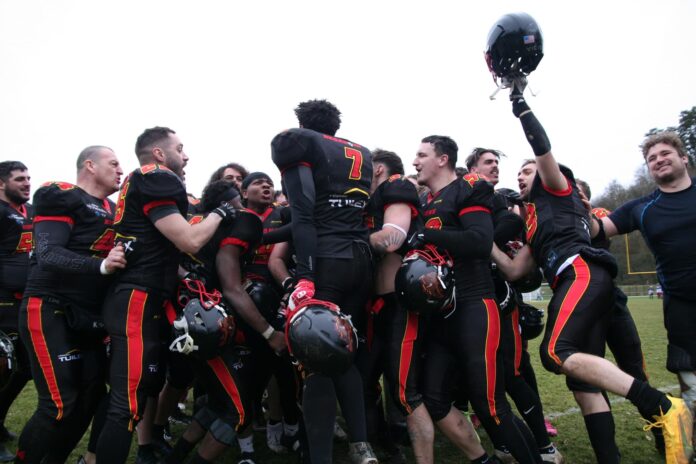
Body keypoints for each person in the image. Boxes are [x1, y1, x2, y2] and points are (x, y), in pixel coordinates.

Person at [491, 81, 692, 464]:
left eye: (527, 171)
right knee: (582, 380)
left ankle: (664, 411)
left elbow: (543, 151)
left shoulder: (556, 186)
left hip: (586, 276)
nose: (521, 176)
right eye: (518, 174)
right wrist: (481, 238)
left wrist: (520, 107)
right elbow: (516, 270)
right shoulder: (535, 223)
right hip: (577, 284)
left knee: (557, 351)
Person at [96, 127, 237, 464]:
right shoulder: (157, 176)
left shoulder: (143, 182)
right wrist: (220, 212)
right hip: (136, 296)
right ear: (159, 153)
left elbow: (156, 246)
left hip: (144, 294)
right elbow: (188, 241)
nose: (185, 155)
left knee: (143, 388)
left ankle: (144, 445)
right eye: (180, 147)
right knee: (126, 403)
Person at [411, 135, 542, 464]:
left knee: (491, 406)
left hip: (474, 305)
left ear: (442, 159)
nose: (415, 161)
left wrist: (427, 235)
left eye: (421, 155)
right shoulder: (429, 200)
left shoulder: (469, 185)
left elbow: (479, 240)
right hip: (443, 314)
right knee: (436, 398)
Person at [271, 99, 377, 464]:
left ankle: (320, 458)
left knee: (315, 356)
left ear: (302, 124)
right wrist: (263, 236)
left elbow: (304, 213)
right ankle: (361, 445)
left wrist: (306, 274)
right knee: (343, 354)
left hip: (327, 262)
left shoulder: (298, 142)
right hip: (360, 261)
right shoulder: (359, 151)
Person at [15, 147, 126, 463]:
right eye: (114, 163)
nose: (120, 170)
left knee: (91, 396)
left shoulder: (114, 209)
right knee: (58, 403)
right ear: (90, 165)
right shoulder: (61, 195)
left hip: (89, 314)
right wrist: (101, 266)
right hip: (51, 306)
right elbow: (48, 253)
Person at [591, 131, 696, 419]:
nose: (659, 160)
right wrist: (577, 207)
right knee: (692, 387)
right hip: (682, 306)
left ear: (683, 158)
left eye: (665, 154)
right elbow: (597, 229)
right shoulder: (642, 208)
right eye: (652, 158)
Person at [466, 148, 561, 462]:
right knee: (479, 376)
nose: (495, 167)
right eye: (488, 162)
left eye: (497, 163)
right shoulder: (461, 195)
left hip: (501, 298)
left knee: (515, 370)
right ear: (471, 168)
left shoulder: (500, 203)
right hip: (468, 300)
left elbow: (509, 226)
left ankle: (543, 446)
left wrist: (478, 238)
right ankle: (503, 443)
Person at [0, 161, 32, 462]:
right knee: (6, 368)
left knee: (24, 369)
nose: (26, 182)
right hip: (3, 302)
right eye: (19, 179)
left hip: (25, 301)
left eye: (28, 178)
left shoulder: (30, 212)